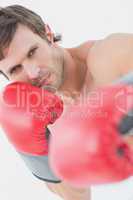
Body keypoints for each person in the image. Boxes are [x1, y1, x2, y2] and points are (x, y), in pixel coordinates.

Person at [0, 4, 133, 200]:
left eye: (32, 52)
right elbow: (78, 197)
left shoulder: (110, 55)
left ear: (47, 34)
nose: (33, 72)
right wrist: (34, 155)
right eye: (16, 69)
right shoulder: (41, 118)